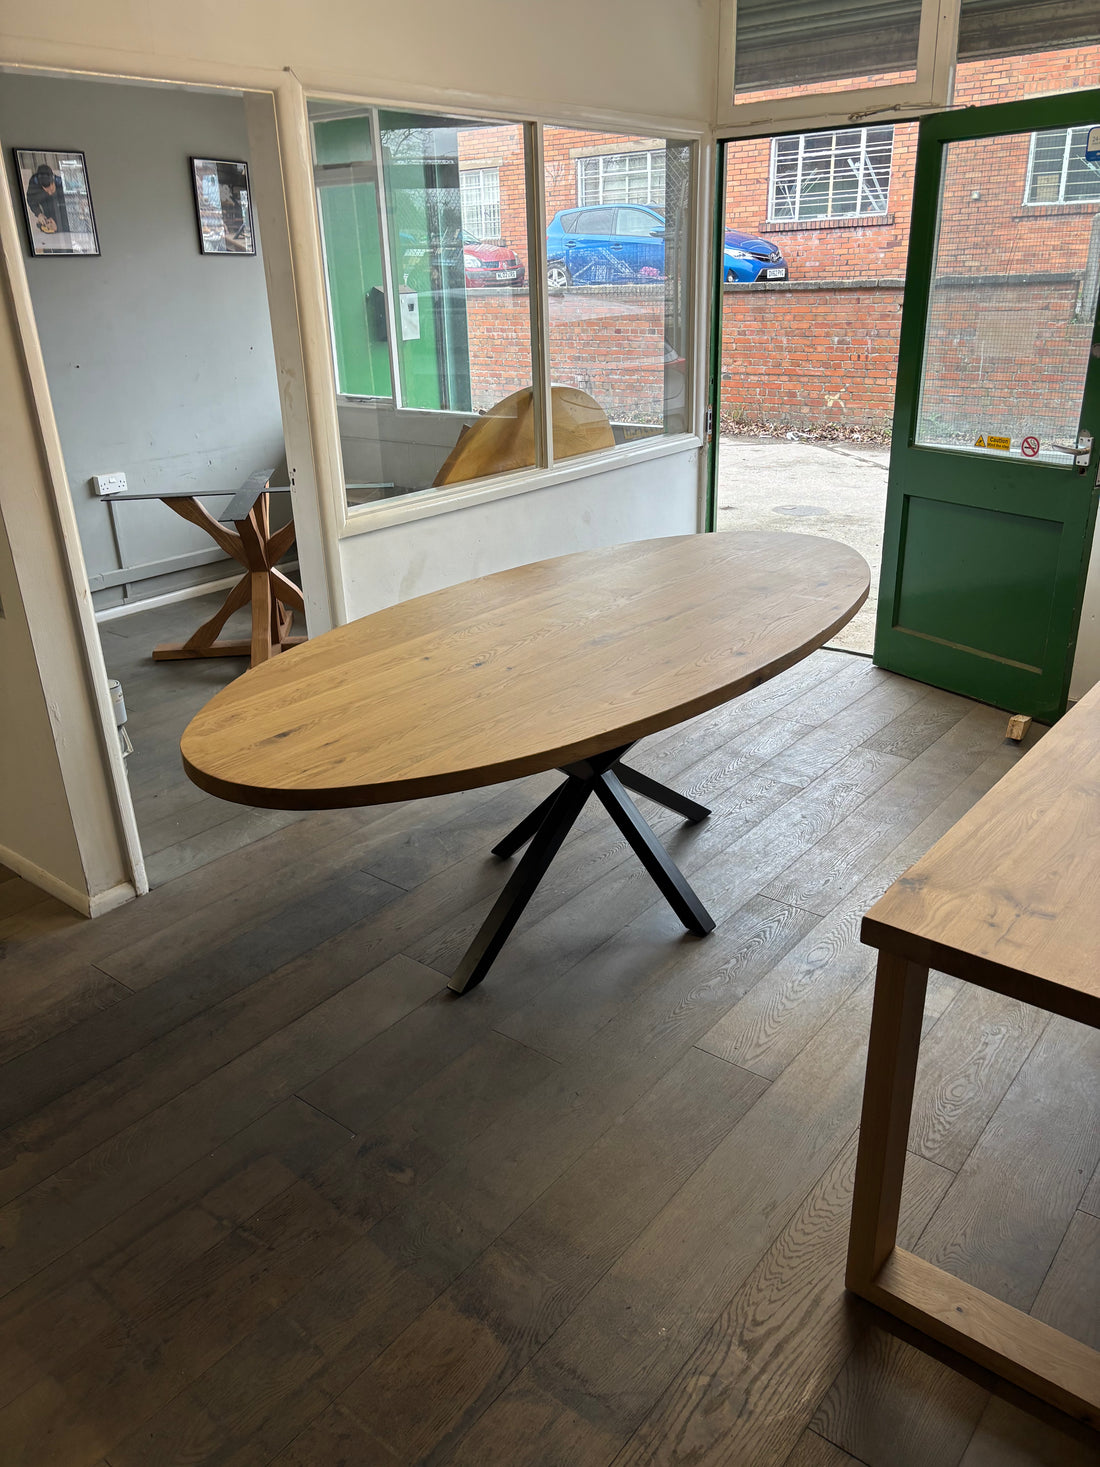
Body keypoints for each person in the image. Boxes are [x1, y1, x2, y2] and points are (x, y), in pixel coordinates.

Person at [25, 162, 67, 235]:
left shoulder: (61, 183)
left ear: (53, 181)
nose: (50, 193)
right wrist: (39, 214)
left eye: (51, 190)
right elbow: (31, 201)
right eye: (47, 191)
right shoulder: (34, 183)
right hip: (48, 210)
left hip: (62, 212)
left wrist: (58, 227)